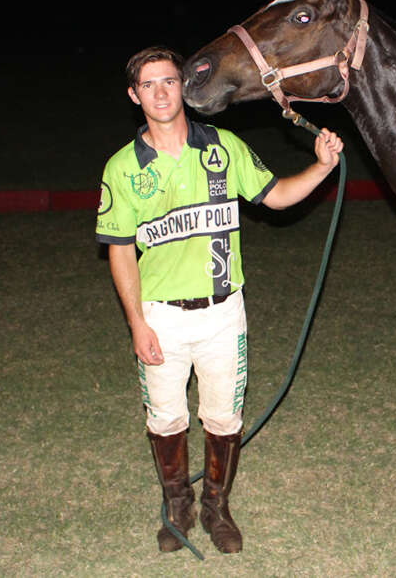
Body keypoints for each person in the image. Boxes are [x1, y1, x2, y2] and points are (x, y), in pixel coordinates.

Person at [95, 46, 343, 554]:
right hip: (161, 315)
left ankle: (215, 506)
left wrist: (320, 168)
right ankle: (176, 507)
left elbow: (274, 195)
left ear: (183, 86)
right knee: (166, 419)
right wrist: (137, 324)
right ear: (133, 95)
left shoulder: (222, 147)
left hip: (224, 312)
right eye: (149, 85)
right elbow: (119, 252)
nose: (161, 93)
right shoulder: (123, 168)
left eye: (169, 81)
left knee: (223, 418)